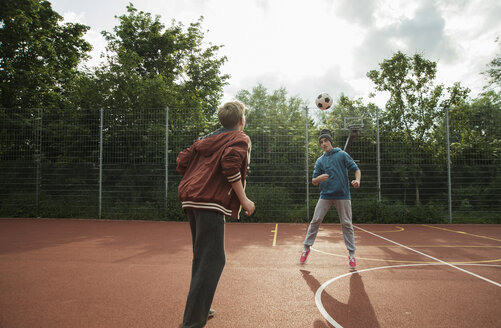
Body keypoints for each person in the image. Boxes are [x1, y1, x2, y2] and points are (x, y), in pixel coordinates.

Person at [176, 101, 255, 328]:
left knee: (203, 258)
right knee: (213, 260)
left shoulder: (204, 140)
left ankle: (201, 307)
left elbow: (182, 161)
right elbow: (230, 167)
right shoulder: (239, 138)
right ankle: (192, 323)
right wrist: (244, 200)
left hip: (191, 198)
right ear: (241, 121)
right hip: (209, 201)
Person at [300, 129, 361, 270]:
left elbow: (356, 169)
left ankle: (351, 254)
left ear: (330, 141)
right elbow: (314, 181)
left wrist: (357, 180)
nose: (323, 143)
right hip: (326, 195)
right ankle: (306, 248)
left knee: (346, 224)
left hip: (342, 195)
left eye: (325, 140)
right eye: (321, 142)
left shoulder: (342, 155)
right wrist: (319, 179)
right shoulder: (320, 160)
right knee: (315, 221)